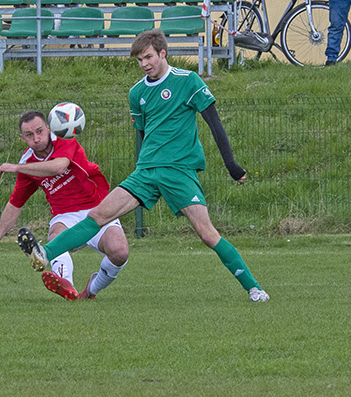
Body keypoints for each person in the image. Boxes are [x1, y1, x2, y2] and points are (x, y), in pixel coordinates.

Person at [18, 29, 269, 303]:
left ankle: (253, 288)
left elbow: (215, 124)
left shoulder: (188, 81)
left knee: (208, 235)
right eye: (139, 60)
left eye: (148, 57)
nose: (144, 63)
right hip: (146, 172)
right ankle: (44, 253)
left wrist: (231, 164)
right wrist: (141, 165)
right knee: (99, 215)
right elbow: (142, 132)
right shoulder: (136, 92)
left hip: (179, 172)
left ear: (163, 53)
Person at [0, 111, 129, 300]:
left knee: (120, 252)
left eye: (39, 131)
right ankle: (67, 287)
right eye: (29, 135)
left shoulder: (65, 138)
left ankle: (91, 290)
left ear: (49, 128)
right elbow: (16, 203)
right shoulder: (27, 164)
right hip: (65, 215)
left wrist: (15, 167)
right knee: (56, 237)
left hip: (98, 207)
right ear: (22, 138)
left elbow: (59, 166)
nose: (36, 139)